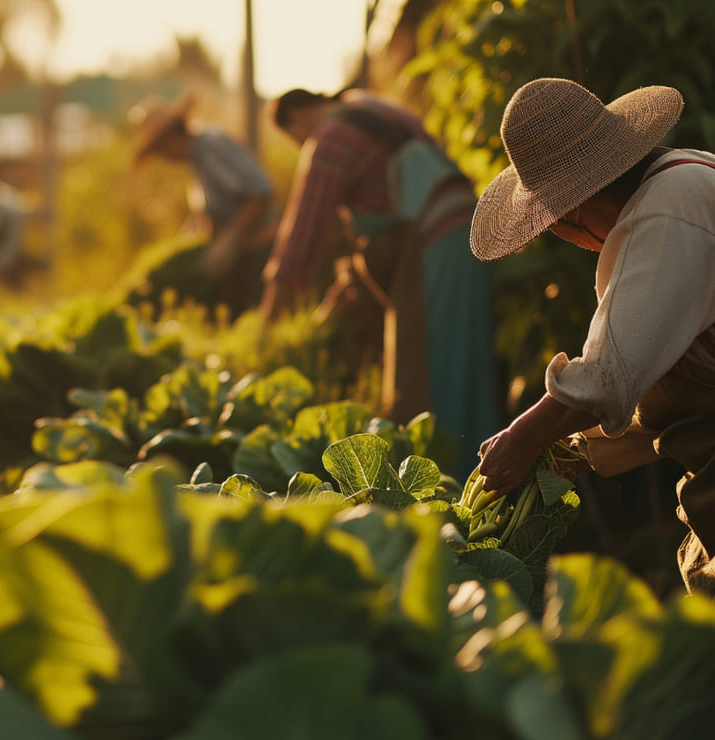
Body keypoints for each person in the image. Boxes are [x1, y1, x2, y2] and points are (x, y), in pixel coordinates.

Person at [471, 77, 715, 595]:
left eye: (558, 224)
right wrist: (574, 448)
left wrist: (527, 435)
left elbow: (609, 377)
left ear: (578, 208)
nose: (576, 241)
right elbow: (664, 385)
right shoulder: (683, 183)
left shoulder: (669, 209)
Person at [261, 87, 499, 467]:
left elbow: (300, 242)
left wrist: (266, 329)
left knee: (432, 374)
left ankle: (451, 485)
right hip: (466, 228)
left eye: (294, 139)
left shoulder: (329, 138)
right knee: (467, 363)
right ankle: (488, 475)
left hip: (433, 240)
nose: (300, 145)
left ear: (296, 118)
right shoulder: (370, 106)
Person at [130, 94, 275, 315]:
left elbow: (260, 193)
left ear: (173, 138)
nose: (165, 159)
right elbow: (207, 211)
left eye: (162, 150)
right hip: (239, 256)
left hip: (260, 249)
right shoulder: (196, 158)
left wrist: (231, 239)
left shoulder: (211, 145)